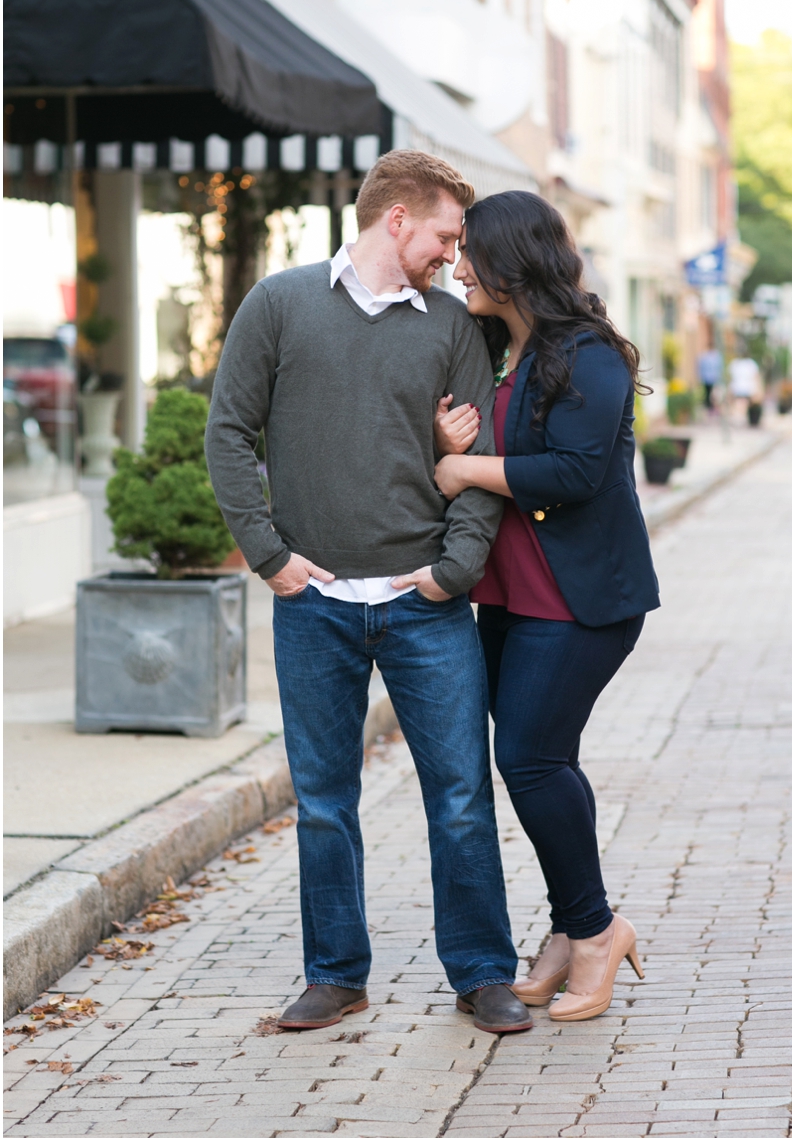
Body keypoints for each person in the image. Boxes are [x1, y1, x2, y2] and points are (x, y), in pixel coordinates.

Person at [205, 151, 531, 1036]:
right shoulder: (280, 302)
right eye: (444, 235)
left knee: (461, 793)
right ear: (396, 219)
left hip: (426, 604)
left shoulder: (452, 325)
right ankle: (336, 973)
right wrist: (270, 556)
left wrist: (454, 570)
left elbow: (474, 465)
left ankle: (481, 972)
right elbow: (228, 433)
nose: (452, 255)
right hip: (313, 603)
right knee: (321, 799)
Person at [433, 191, 660, 1023]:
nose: (458, 266)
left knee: (529, 757)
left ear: (509, 258)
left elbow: (576, 471)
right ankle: (575, 928)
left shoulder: (587, 351)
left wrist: (467, 470)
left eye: (469, 252)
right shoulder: (498, 348)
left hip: (581, 599)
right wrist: (455, 449)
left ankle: (596, 931)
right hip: (509, 597)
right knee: (542, 757)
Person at [697, 345, 723, 409]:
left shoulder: (705, 356)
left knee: (710, 393)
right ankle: (711, 407)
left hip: (708, 378)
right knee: (711, 394)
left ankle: (711, 406)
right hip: (712, 378)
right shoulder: (715, 356)